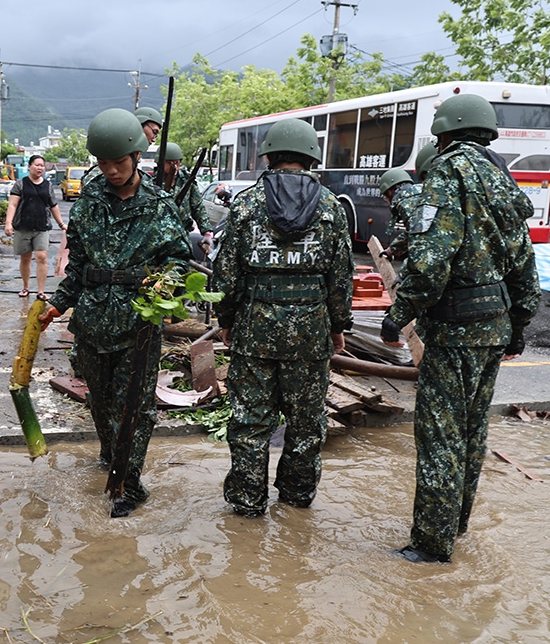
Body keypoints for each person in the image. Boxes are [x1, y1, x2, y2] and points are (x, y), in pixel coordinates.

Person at [380, 93, 541, 563]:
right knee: (472, 432)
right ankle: (458, 524)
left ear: (445, 132)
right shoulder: (500, 178)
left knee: (439, 436)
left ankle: (430, 546)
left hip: (454, 331)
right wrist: (519, 323)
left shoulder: (448, 172)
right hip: (494, 328)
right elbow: (522, 262)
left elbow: (431, 262)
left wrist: (397, 316)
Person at [38, 108, 190, 518]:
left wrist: (165, 288)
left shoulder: (159, 205)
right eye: (103, 164)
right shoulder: (88, 204)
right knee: (101, 402)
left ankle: (129, 484)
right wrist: (57, 304)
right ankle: (112, 455)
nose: (111, 171)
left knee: (136, 407)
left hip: (139, 322)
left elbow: (179, 260)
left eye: (118, 163)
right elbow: (79, 266)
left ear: (136, 157)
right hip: (91, 322)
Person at [211, 118, 354, 518]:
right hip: (310, 332)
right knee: (306, 422)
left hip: (254, 328)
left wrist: (227, 318)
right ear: (311, 156)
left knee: (250, 420)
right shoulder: (331, 206)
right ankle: (296, 500)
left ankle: (247, 504)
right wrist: (338, 326)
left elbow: (226, 273)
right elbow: (341, 277)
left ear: (269, 155)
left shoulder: (246, 203)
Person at [4, 155, 66, 300]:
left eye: (42, 166)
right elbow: (12, 204)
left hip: (41, 227)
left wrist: (62, 224)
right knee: (25, 258)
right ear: (29, 167)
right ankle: (26, 287)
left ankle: (41, 291)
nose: (40, 168)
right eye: (37, 165)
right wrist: (8, 223)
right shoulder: (20, 184)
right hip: (22, 227)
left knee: (41, 257)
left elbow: (53, 206)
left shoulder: (48, 186)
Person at [161, 141, 213, 260]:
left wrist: (207, 232)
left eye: (177, 162)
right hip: (159, 236)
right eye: (169, 163)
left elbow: (198, 207)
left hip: (182, 235)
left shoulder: (187, 181)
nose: (174, 166)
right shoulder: (152, 183)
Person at [378, 168, 416, 262]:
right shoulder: (420, 191)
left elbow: (417, 234)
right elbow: (412, 230)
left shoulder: (405, 202)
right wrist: (392, 250)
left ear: (390, 191)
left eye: (385, 196)